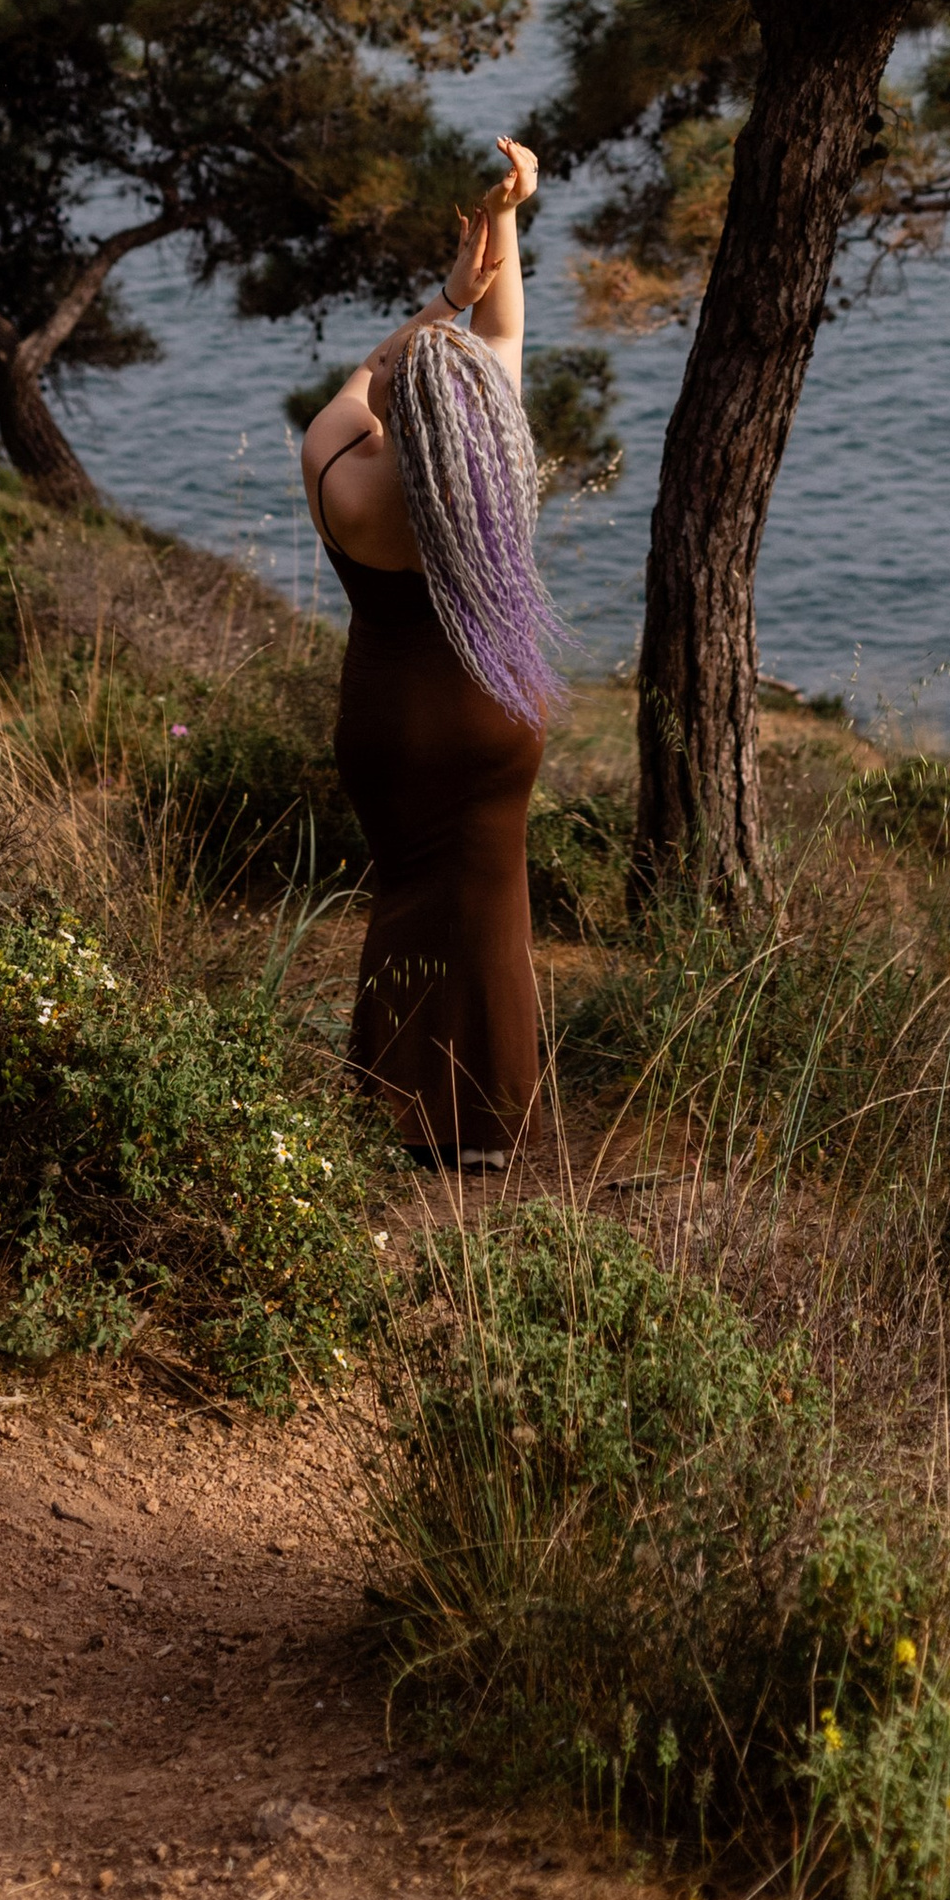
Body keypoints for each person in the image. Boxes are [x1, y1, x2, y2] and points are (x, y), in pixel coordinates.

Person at [302, 135, 559, 1168]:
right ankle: (492, 1126)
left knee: (404, 897)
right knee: (495, 905)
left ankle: (396, 1111)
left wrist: (440, 300)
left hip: (390, 725)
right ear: (482, 414)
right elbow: (500, 337)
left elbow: (371, 374)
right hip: (493, 715)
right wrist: (506, 210)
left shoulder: (344, 477)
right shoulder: (500, 476)